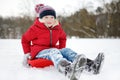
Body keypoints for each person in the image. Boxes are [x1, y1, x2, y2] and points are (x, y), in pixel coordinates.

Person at [21, 4, 104, 80]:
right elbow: (25, 40)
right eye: (46, 17)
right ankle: (67, 70)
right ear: (41, 19)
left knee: (66, 50)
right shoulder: (35, 28)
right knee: (53, 51)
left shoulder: (57, 28)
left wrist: (62, 50)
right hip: (39, 52)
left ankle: (92, 66)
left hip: (53, 50)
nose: (49, 20)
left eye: (52, 17)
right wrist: (27, 53)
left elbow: (63, 38)